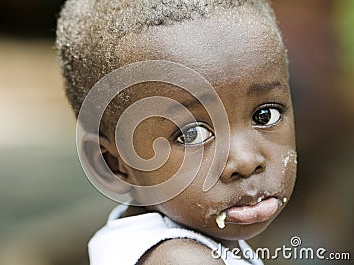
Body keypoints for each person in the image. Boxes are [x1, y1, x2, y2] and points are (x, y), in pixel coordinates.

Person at [56, 0, 297, 264]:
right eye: (192, 134)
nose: (246, 161)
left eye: (265, 115)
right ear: (111, 163)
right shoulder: (181, 259)